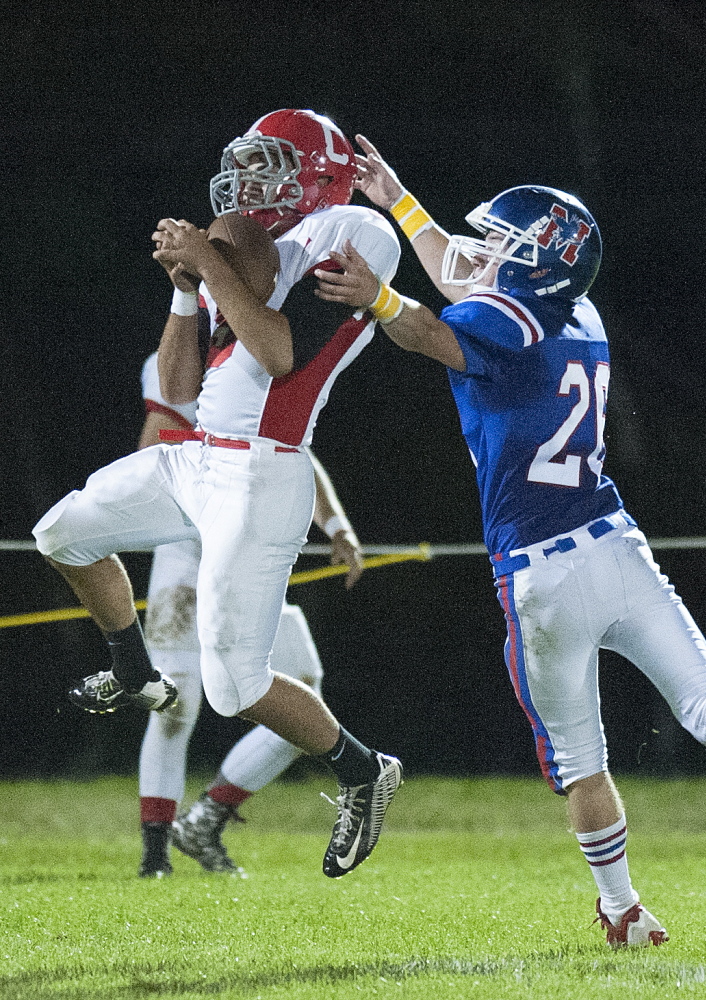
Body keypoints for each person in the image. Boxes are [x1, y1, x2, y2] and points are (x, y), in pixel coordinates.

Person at [311, 138, 706, 946]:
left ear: (535, 262)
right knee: (705, 708)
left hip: (541, 580)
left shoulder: (505, 319)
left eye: (506, 245)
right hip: (615, 542)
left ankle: (625, 907)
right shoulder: (579, 312)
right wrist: (398, 200)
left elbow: (437, 330)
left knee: (582, 764)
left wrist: (380, 300)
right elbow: (465, 281)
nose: (486, 253)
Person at [32, 110, 403, 879]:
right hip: (199, 458)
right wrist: (182, 289)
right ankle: (132, 666)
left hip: (263, 472)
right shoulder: (251, 252)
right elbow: (177, 394)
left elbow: (275, 351)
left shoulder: (356, 231)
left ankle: (365, 770)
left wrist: (207, 253)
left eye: (271, 165)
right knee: (62, 530)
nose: (249, 183)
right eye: (247, 164)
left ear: (319, 172)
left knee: (235, 685)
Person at [137, 351, 365, 878]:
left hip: (247, 545)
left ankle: (205, 818)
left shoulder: (271, 347)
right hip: (187, 544)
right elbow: (153, 448)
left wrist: (336, 525)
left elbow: (293, 449)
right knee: (175, 701)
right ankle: (154, 857)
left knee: (303, 689)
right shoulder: (178, 359)